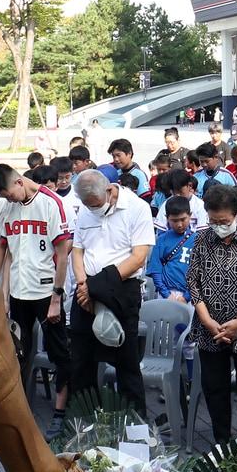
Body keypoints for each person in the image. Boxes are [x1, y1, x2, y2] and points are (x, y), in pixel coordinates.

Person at [0, 164, 73, 439]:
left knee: (60, 355)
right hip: (19, 294)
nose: (7, 200)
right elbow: (7, 251)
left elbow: (63, 255)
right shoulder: (8, 209)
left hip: (47, 294)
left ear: (19, 182)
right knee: (17, 353)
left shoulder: (51, 204)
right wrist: (1, 292)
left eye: (8, 194)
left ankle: (60, 413)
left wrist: (57, 298)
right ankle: (20, 411)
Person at [187, 185, 237, 446]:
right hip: (209, 328)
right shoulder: (202, 240)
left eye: (223, 221)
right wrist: (206, 319)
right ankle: (221, 440)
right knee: (214, 388)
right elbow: (194, 282)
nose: (218, 226)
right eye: (213, 221)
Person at [69, 170, 153, 414]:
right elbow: (77, 250)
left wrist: (95, 287)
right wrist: (83, 284)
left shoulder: (137, 208)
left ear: (108, 191)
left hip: (121, 289)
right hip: (86, 288)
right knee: (81, 361)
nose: (91, 209)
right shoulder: (86, 209)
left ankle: (133, 424)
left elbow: (138, 258)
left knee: (126, 363)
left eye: (94, 204)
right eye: (86, 205)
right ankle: (84, 422)